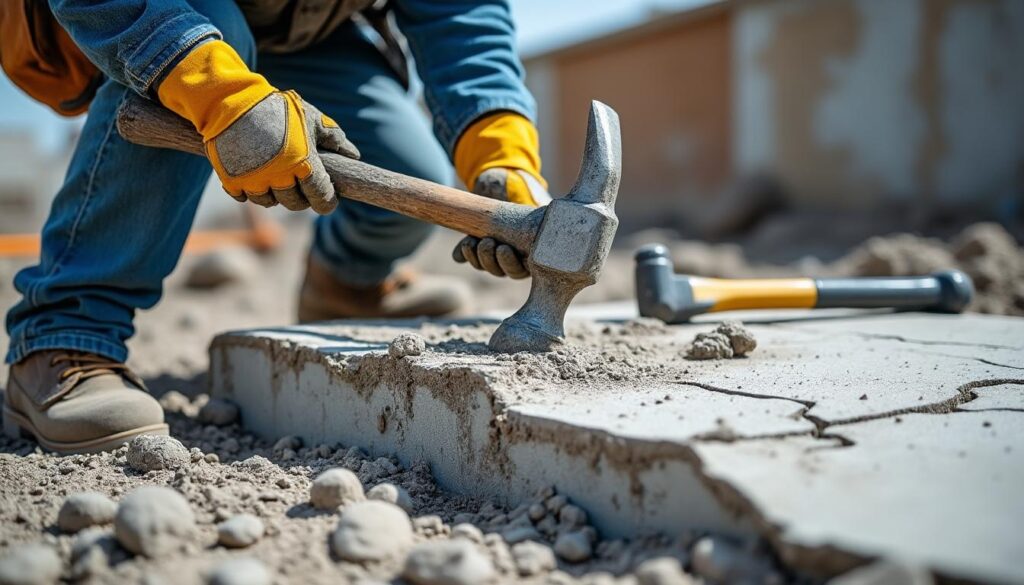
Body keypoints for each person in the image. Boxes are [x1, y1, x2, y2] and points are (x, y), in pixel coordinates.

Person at [2, 0, 548, 454]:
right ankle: (63, 336)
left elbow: (461, 14)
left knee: (413, 171)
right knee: (210, 41)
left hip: (313, 34)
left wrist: (501, 155)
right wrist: (219, 94)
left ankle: (345, 283)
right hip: (173, 16)